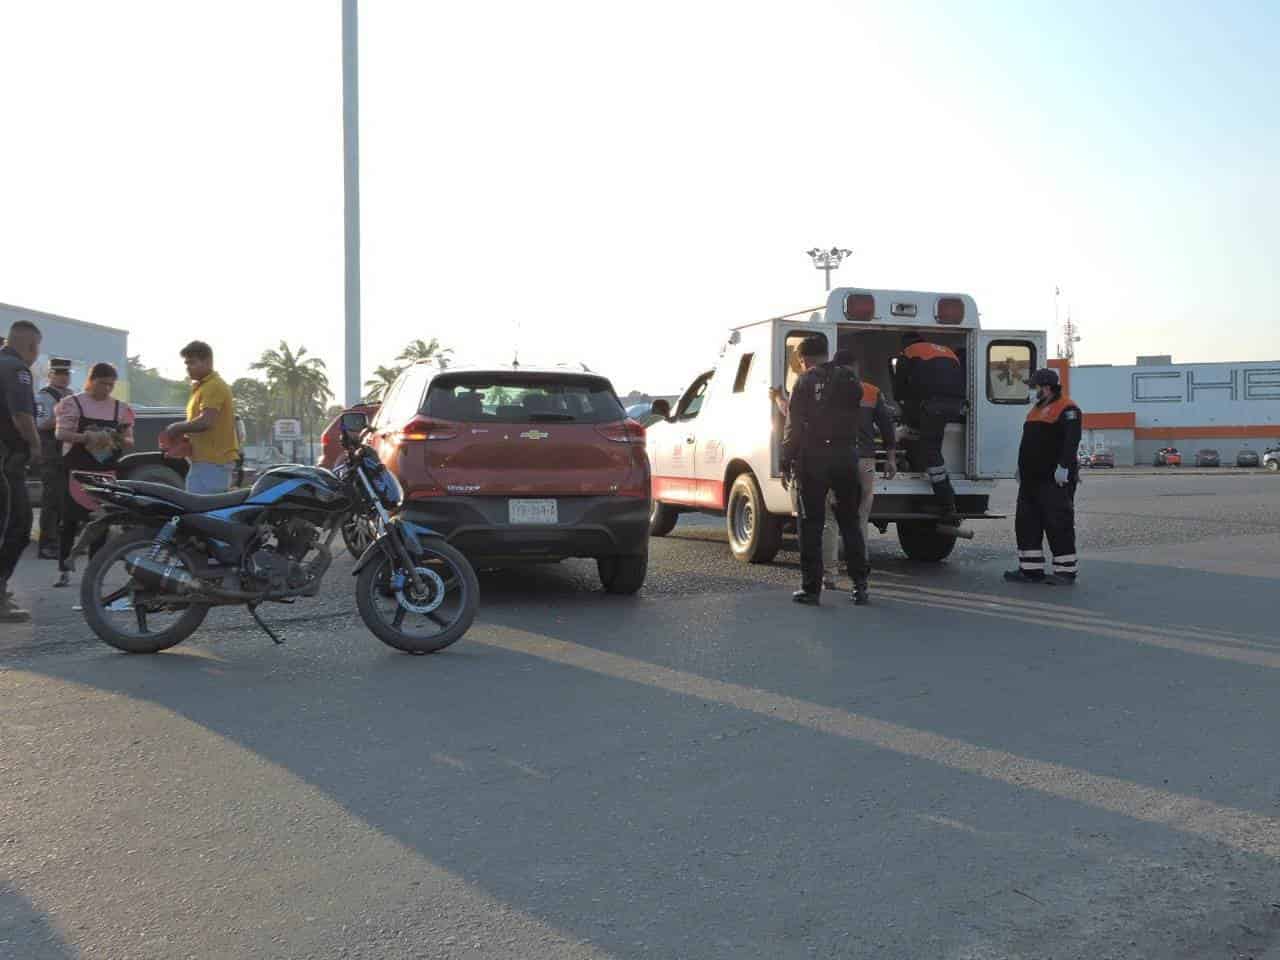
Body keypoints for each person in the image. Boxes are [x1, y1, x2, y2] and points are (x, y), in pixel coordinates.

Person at [781, 335, 870, 606]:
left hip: (814, 459)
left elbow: (793, 425)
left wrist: (786, 459)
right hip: (845, 456)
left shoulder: (805, 381)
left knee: (811, 525)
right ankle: (860, 586)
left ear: (803, 358)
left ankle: (811, 589)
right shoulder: (851, 379)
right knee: (850, 523)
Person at [53, 363, 135, 587]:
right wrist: (87, 437)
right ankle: (64, 569)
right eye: (102, 383)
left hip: (105, 470)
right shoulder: (73, 403)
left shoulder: (120, 408)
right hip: (76, 469)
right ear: (91, 381)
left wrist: (114, 438)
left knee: (102, 522)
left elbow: (129, 440)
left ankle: (93, 572)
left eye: (111, 384)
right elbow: (60, 432)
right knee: (69, 521)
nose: (107, 388)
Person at [1005, 368, 1081, 584]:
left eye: (1034, 386)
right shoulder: (1036, 410)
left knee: (1058, 523)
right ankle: (1030, 570)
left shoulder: (1067, 408)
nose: (1032, 390)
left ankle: (1065, 572)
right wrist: (1022, 468)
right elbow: (1029, 443)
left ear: (1046, 387)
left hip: (1053, 478)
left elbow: (1071, 441)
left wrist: (1064, 467)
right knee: (1026, 523)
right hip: (1031, 479)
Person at [894, 332, 965, 519]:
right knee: (924, 436)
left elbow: (899, 387)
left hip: (934, 405)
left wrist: (901, 408)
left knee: (930, 450)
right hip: (955, 404)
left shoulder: (908, 352)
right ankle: (914, 437)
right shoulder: (947, 351)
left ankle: (947, 503)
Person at [0, 320, 44, 623]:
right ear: (32, 346)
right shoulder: (16, 370)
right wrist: (36, 446)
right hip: (6, 459)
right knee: (18, 524)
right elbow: (21, 415)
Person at [837, 349, 897, 564]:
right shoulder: (871, 391)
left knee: (834, 507)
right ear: (856, 367)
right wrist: (890, 458)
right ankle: (859, 557)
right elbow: (887, 426)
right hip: (865, 460)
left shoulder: (827, 389)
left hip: (836, 458)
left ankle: (830, 563)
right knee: (862, 508)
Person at [164, 341, 239, 494]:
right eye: (186, 363)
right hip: (204, 461)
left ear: (207, 361)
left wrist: (177, 428)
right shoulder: (202, 387)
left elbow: (206, 422)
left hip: (214, 462)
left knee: (204, 512)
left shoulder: (214, 386)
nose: (188, 367)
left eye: (192, 362)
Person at [34, 357, 74, 559]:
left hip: (68, 453)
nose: (63, 377)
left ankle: (62, 540)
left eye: (66, 374)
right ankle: (47, 544)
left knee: (66, 499)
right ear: (50, 375)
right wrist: (64, 414)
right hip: (51, 454)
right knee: (51, 500)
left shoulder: (70, 395)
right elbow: (41, 423)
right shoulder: (44, 396)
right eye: (59, 373)